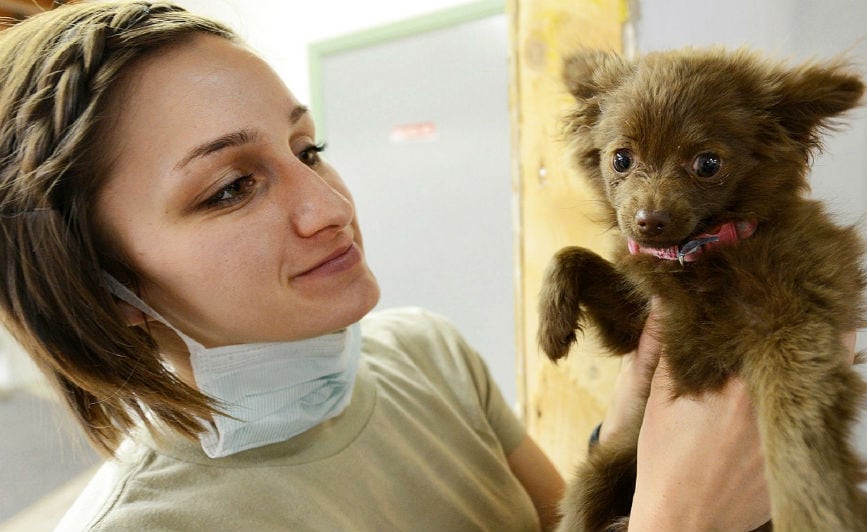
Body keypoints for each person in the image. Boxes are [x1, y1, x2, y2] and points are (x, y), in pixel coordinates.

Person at [0, 2, 771, 531]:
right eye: (231, 188)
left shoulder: (427, 355)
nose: (330, 206)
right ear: (103, 289)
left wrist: (628, 446)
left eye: (309, 151)